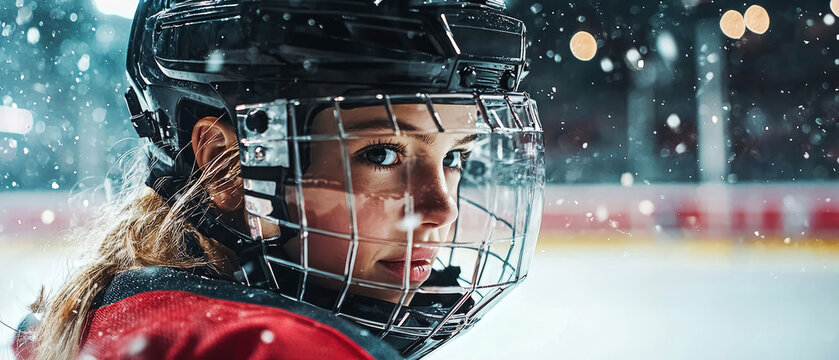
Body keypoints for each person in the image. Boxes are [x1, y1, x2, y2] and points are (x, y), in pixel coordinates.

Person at [14, 0, 546, 359]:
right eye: (382, 153)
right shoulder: (280, 349)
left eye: (455, 157)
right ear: (227, 164)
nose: (441, 207)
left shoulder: (108, 317)